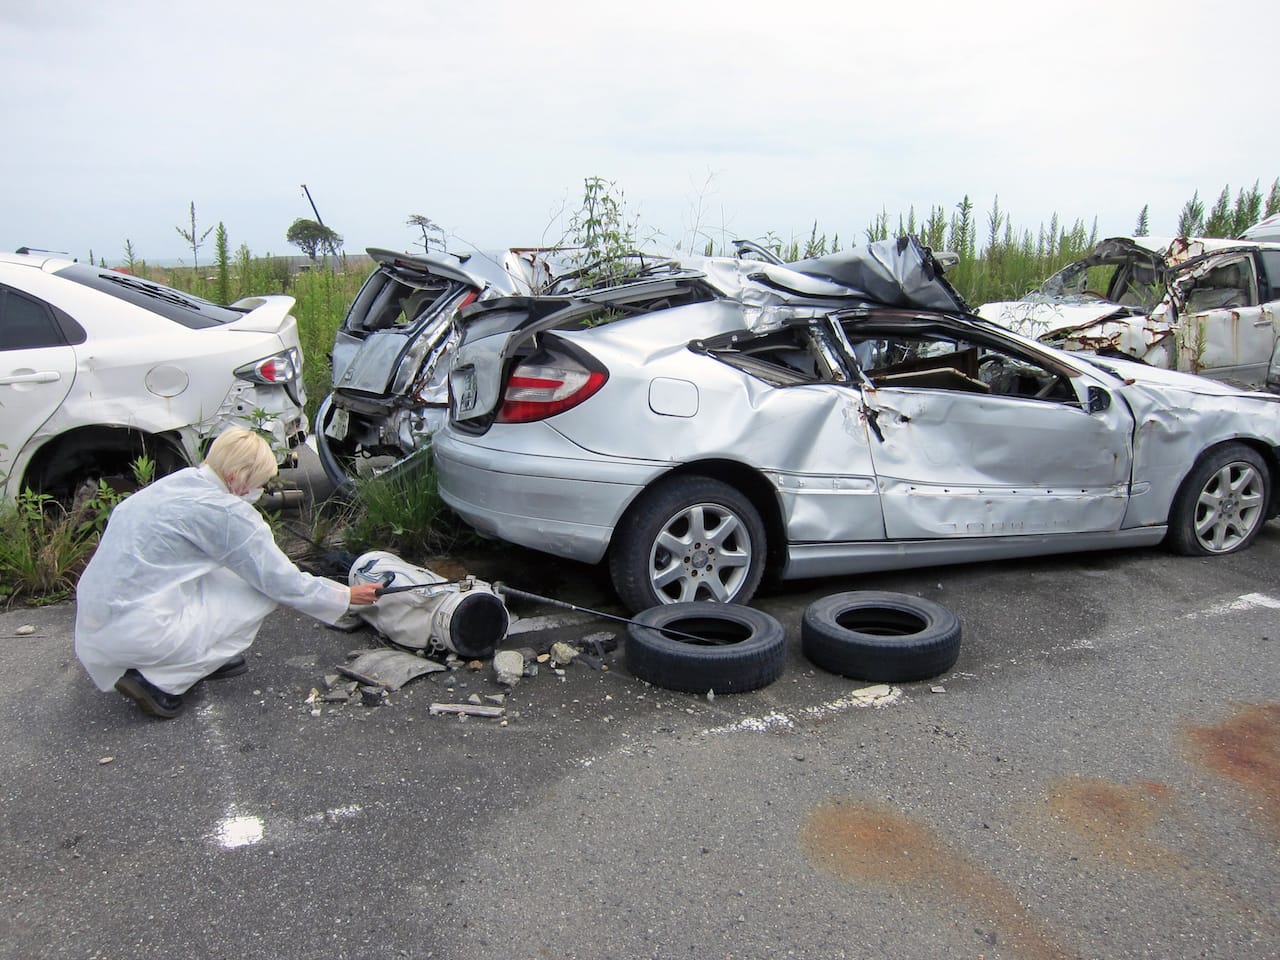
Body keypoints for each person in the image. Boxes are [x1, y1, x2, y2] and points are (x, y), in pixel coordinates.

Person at [74, 427, 381, 719]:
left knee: (226, 572)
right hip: (139, 632)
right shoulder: (226, 512)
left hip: (97, 622)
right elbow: (280, 582)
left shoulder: (179, 483)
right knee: (257, 594)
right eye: (259, 483)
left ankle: (194, 658)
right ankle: (159, 681)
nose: (260, 491)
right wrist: (346, 596)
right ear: (236, 477)